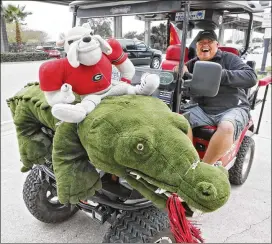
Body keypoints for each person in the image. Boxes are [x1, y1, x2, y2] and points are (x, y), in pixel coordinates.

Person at [174, 30, 257, 165]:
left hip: (231, 107)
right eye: (201, 42)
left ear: (217, 45)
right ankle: (189, 162)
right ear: (197, 47)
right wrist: (179, 73)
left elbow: (251, 77)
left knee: (226, 127)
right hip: (201, 108)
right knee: (178, 120)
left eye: (209, 42)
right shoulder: (192, 64)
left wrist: (219, 75)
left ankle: (204, 169)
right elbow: (183, 89)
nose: (205, 45)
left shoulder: (229, 58)